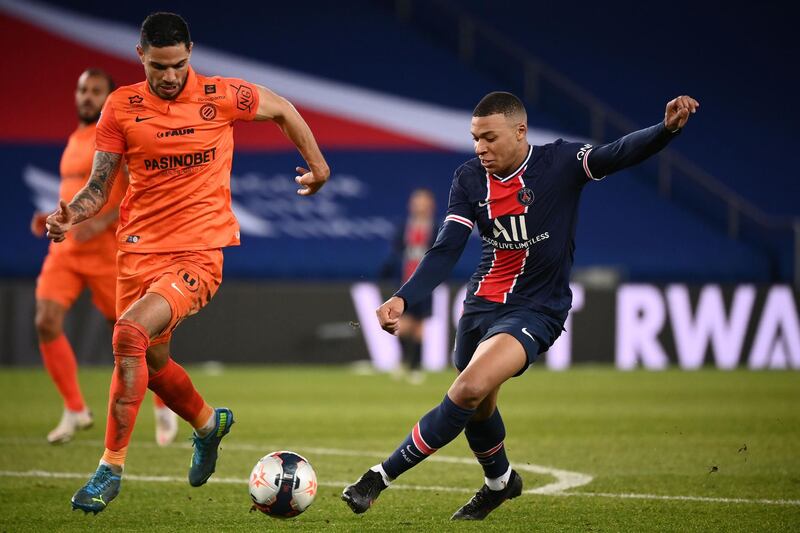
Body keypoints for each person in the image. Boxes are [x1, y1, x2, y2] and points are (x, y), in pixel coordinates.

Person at [342, 91, 699, 520]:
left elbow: (617, 153)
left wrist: (666, 130)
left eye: (489, 138)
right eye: (475, 138)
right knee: (480, 404)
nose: (480, 148)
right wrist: (404, 295)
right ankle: (500, 483)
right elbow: (446, 248)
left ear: (520, 131)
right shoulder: (469, 178)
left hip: (537, 308)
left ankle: (377, 478)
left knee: (469, 389)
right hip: (480, 306)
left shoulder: (560, 163)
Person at [46, 12, 329, 514]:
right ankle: (207, 424)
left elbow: (283, 108)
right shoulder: (121, 106)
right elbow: (99, 185)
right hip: (136, 253)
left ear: (190, 52)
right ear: (141, 57)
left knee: (128, 335)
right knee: (151, 364)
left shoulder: (221, 95)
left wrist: (319, 166)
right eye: (159, 67)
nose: (170, 76)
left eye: (178, 64)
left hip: (197, 252)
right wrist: (71, 217)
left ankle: (109, 468)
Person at [32, 68, 177, 447]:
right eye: (82, 90)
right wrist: (56, 219)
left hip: (109, 255)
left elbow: (136, 192)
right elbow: (73, 192)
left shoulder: (119, 137)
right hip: (66, 251)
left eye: (95, 91)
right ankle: (75, 408)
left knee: (140, 339)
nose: (86, 97)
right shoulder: (75, 139)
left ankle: (164, 406)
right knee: (46, 321)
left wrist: (99, 223)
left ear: (109, 98)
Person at [380, 188, 438, 383]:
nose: (419, 205)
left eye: (423, 201)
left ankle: (416, 367)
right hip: (404, 281)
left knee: (420, 326)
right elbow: (396, 252)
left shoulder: (437, 227)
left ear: (430, 205)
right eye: (416, 201)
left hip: (425, 282)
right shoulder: (405, 225)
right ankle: (404, 362)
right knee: (403, 325)